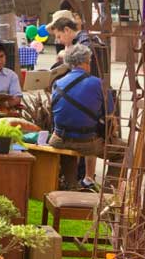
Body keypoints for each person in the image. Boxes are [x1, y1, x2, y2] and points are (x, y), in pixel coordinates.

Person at [49, 45, 114, 190]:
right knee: (122, 151)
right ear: (86, 62)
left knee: (71, 144)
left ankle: (71, 183)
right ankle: (109, 191)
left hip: (59, 140)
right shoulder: (98, 83)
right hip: (86, 142)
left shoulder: (57, 83)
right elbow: (109, 114)